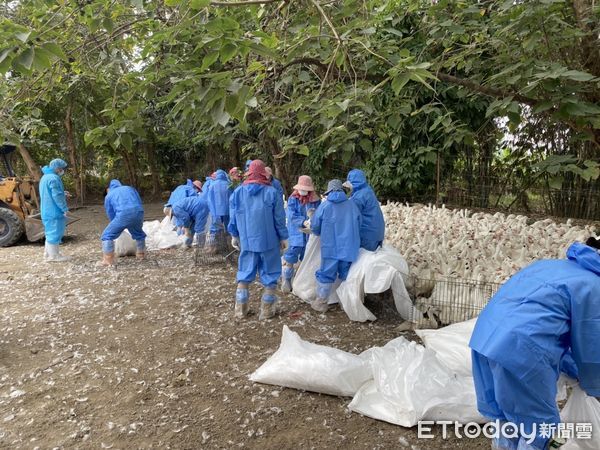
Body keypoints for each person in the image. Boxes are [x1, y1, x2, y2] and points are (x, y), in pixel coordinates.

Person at [469, 238, 600, 450]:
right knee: (539, 430)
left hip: (485, 338)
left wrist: (574, 370)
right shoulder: (594, 287)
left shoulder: (551, 266)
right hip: (521, 353)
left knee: (507, 420)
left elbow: (546, 325)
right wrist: (594, 386)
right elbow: (591, 351)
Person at [228, 160, 288, 320]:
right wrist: (284, 236)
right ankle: (266, 311)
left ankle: (241, 310)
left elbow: (233, 218)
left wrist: (234, 234)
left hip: (247, 241)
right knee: (270, 273)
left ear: (248, 173)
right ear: (263, 173)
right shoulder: (272, 192)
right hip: (269, 241)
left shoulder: (238, 193)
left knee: (244, 273)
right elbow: (279, 218)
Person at [309, 179, 361, 312]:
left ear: (329, 191)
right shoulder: (352, 205)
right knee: (346, 274)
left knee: (326, 273)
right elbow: (359, 223)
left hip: (330, 246)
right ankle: (347, 304)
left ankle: (321, 303)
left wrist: (316, 230)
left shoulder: (325, 206)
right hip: (349, 246)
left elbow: (315, 226)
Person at [281, 175, 321, 293]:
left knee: (306, 256)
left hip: (309, 233)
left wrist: (312, 220)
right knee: (291, 256)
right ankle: (286, 280)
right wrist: (302, 221)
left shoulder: (315, 200)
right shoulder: (293, 199)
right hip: (295, 232)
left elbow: (319, 213)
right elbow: (291, 215)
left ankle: (299, 282)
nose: (303, 191)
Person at [100, 179, 146, 266]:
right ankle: (141, 254)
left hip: (123, 215)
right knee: (139, 233)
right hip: (138, 212)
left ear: (108, 188)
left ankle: (108, 260)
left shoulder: (109, 195)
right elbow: (139, 201)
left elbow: (110, 212)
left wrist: (117, 225)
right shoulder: (130, 188)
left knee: (107, 235)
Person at [344, 169, 385, 251]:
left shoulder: (358, 197)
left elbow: (350, 215)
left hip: (367, 234)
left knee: (363, 256)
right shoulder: (367, 190)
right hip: (378, 232)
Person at [39, 158, 70, 262]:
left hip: (46, 210)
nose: (62, 170)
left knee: (50, 233)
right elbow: (57, 196)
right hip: (54, 211)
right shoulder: (54, 178)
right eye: (61, 168)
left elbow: (49, 193)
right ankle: (54, 256)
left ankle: (48, 254)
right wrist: (64, 209)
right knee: (55, 233)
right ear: (57, 168)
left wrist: (63, 193)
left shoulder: (45, 177)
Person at [206, 169, 231, 252]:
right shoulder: (228, 184)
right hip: (227, 210)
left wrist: (212, 211)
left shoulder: (212, 185)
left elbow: (209, 200)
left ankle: (213, 248)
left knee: (214, 228)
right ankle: (229, 247)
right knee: (229, 227)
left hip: (216, 211)